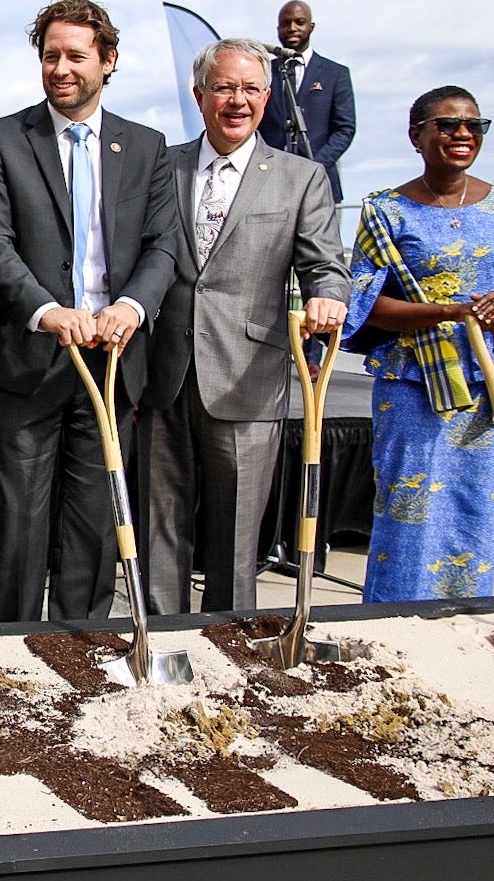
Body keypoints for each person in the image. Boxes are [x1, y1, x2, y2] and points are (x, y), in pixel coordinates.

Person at [0, 0, 175, 623]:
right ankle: (11, 652)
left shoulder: (146, 147)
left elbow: (164, 244)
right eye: (50, 55)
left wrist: (133, 306)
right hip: (30, 360)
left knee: (93, 526)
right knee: (20, 527)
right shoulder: (1, 139)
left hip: (114, 363)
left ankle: (81, 647)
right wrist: (46, 311)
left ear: (107, 62)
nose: (61, 68)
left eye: (76, 56)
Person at [139, 38, 349, 615]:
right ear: (199, 94)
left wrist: (327, 298)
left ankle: (229, 640)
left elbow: (325, 266)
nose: (238, 100)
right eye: (225, 87)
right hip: (163, 373)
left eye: (252, 89)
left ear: (266, 99)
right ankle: (163, 640)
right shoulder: (162, 165)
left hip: (248, 377)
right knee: (161, 526)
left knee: (235, 538)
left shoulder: (301, 178)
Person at [343, 86, 494, 603]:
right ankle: (394, 624)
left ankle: (465, 619)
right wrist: (449, 311)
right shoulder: (387, 211)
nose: (463, 134)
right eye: (447, 125)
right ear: (417, 136)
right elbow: (366, 305)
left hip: (487, 380)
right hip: (412, 384)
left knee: (477, 505)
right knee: (409, 504)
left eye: (474, 125)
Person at [261, 0, 355, 201]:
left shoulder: (335, 74)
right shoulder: (262, 73)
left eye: (299, 22)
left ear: (311, 26)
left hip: (320, 183)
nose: (292, 28)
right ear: (278, 29)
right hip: (272, 182)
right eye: (286, 23)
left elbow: (345, 128)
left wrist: (315, 167)